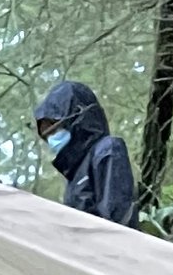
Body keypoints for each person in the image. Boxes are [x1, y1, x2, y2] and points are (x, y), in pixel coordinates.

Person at [34, 80, 137, 225]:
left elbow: (117, 218)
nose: (52, 140)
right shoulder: (74, 177)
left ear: (76, 118)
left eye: (54, 129)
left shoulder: (108, 150)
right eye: (47, 136)